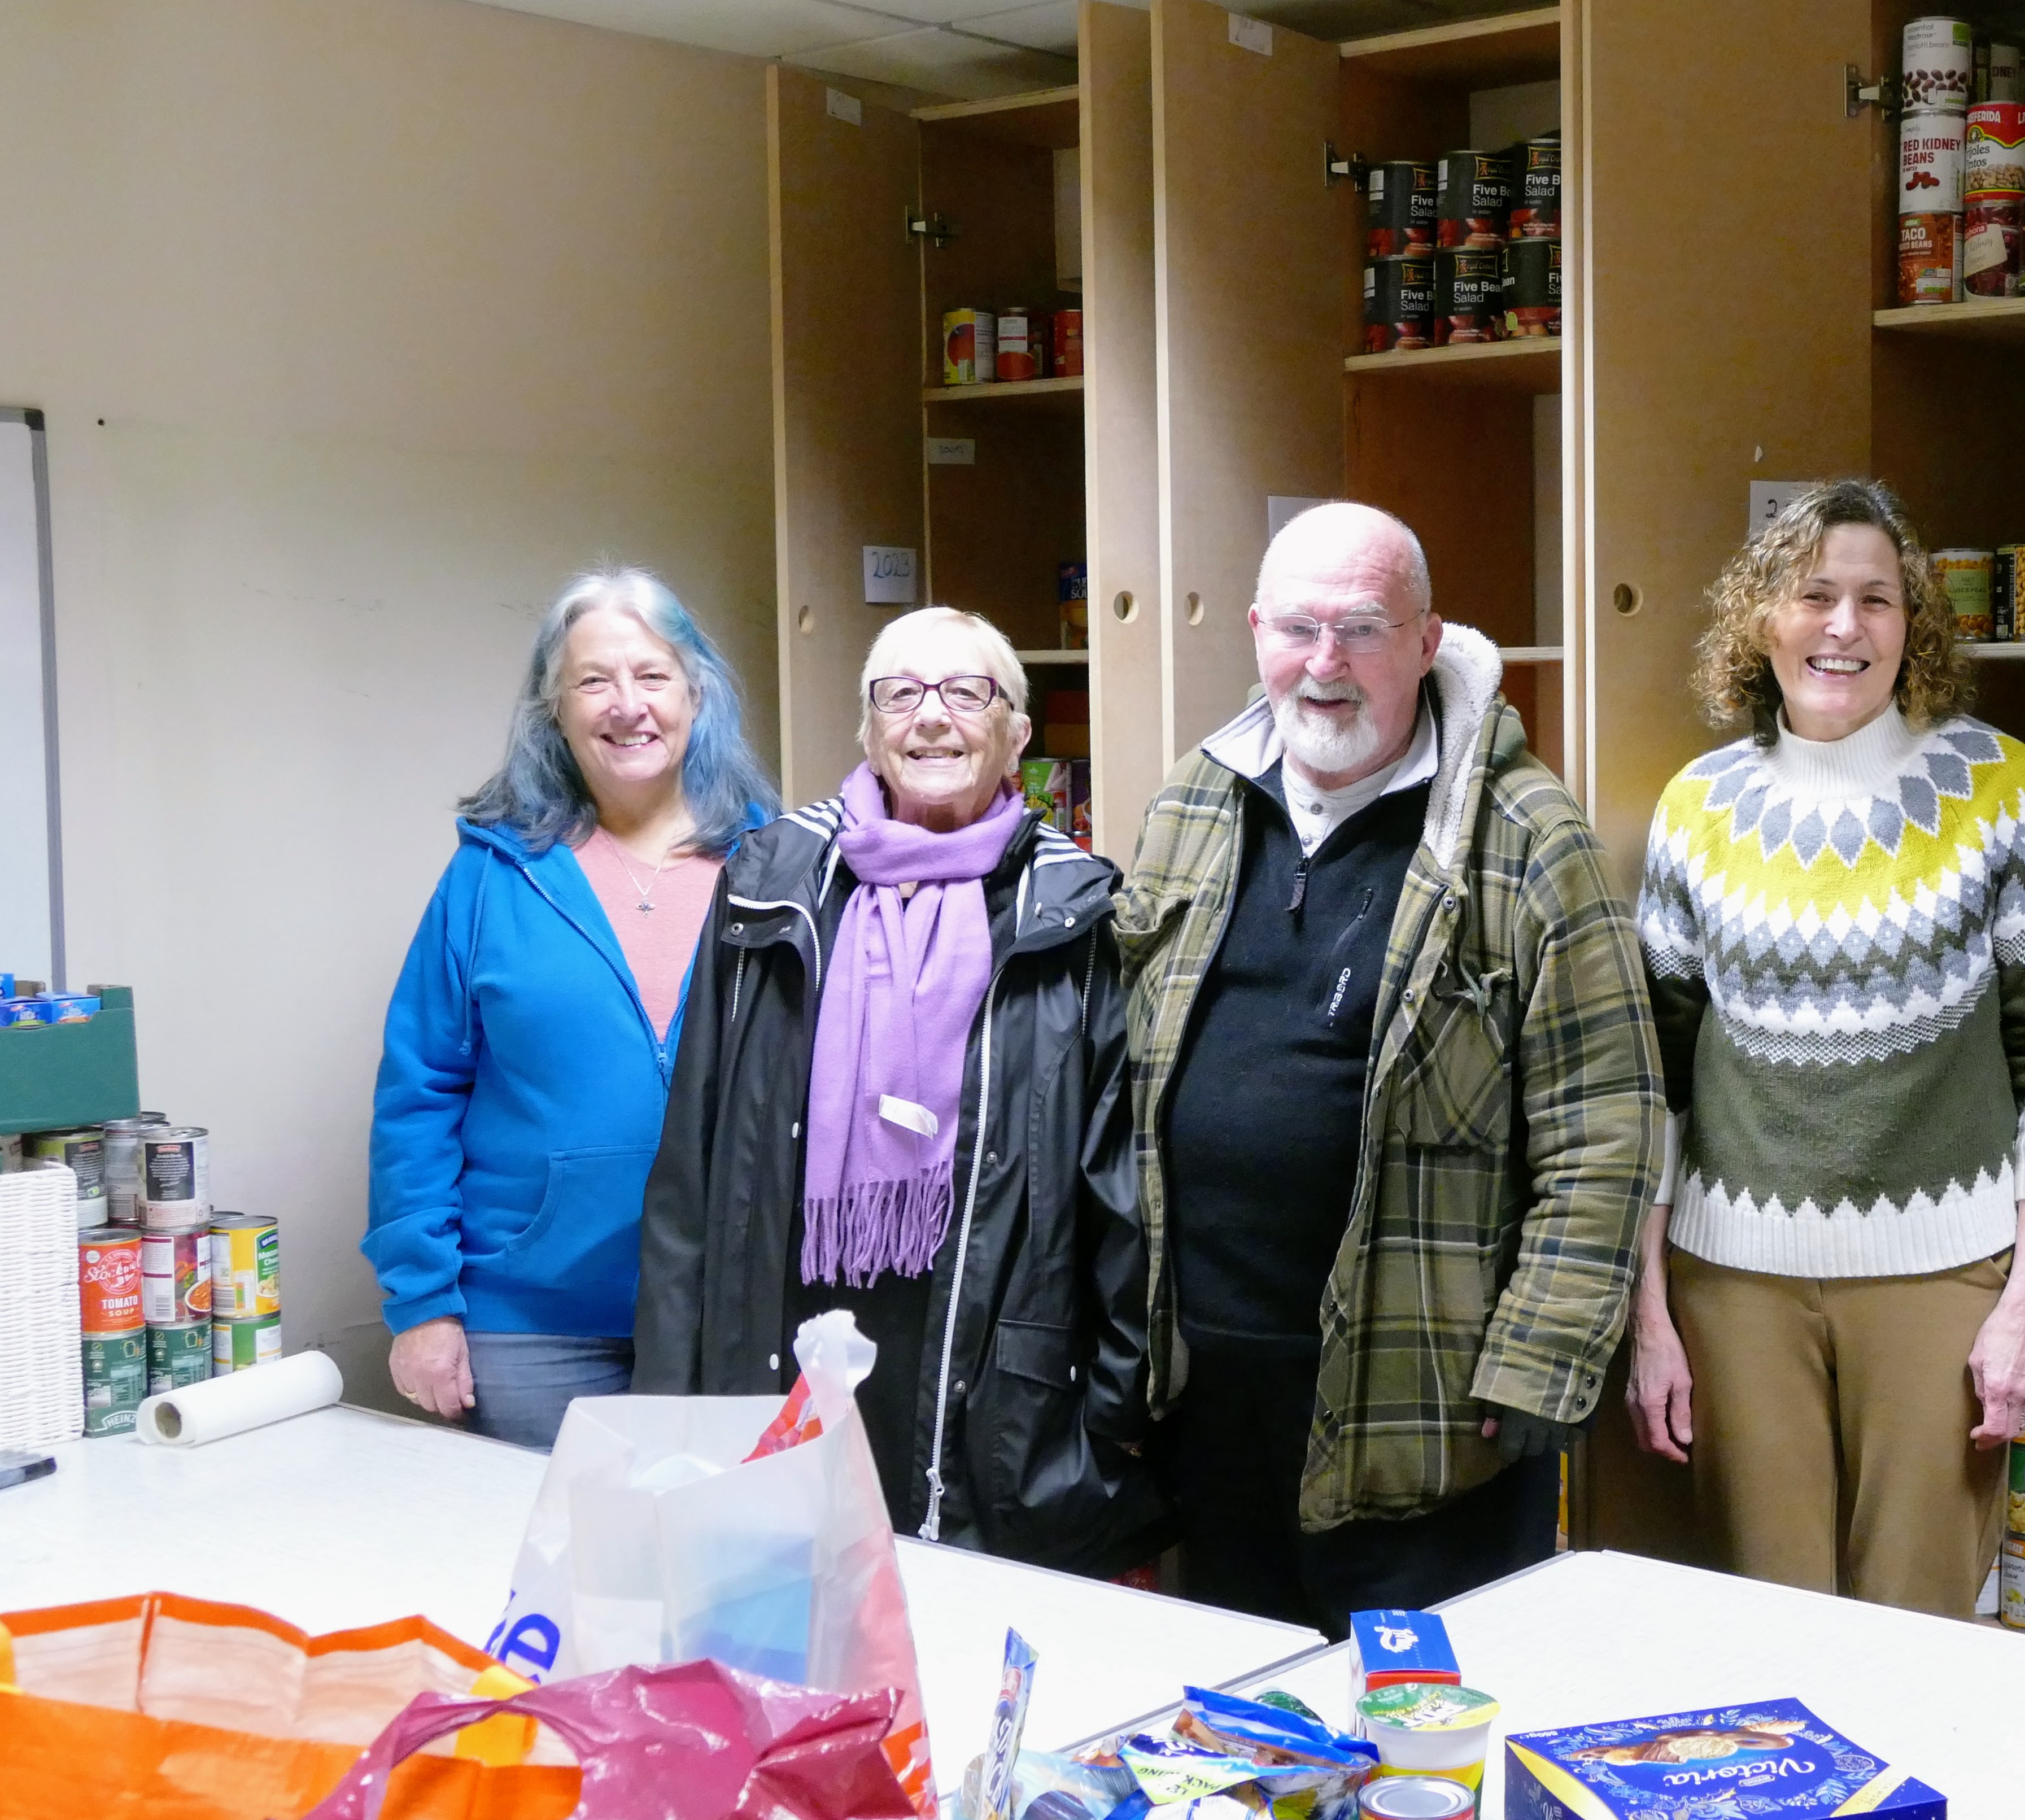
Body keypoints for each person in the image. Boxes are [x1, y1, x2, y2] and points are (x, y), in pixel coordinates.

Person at [1116, 500, 1663, 1631]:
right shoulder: (1194, 799)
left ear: (1428, 641)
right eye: (1298, 629)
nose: (1325, 666)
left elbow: (1608, 1115)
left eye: (1362, 629)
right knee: (1243, 1740)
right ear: (1258, 632)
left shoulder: (1523, 832)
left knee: (1415, 1754)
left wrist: (1541, 1363)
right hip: (1206, 1396)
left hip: (1428, 1402)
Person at [1624, 479, 2025, 1619]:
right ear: (1764, 620)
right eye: (1816, 595)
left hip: (1943, 1282)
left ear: (1912, 626)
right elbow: (1658, 1086)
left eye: (1877, 600)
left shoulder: (2004, 791)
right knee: (1768, 1639)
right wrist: (1650, 1317)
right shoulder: (1697, 808)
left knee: (1917, 1635)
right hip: (1733, 1288)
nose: (1845, 626)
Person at [632, 607, 1161, 1576]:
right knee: (782, 1635)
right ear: (868, 731)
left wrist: (1116, 1413)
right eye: (901, 694)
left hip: (989, 1381)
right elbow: (691, 1156)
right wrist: (668, 1392)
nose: (932, 718)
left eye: (967, 693)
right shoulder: (769, 880)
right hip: (780, 1338)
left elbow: (1119, 1191)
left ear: (1016, 736)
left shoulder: (1078, 909)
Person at [367, 566, 778, 1449]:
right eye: (594, 680)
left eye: (652, 676)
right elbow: (419, 1091)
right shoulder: (490, 875)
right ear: (554, 710)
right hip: (530, 1331)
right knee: (541, 1579)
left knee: (707, 1576)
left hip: (727, 1317)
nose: (626, 704)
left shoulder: (774, 867)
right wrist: (422, 1305)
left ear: (697, 695)